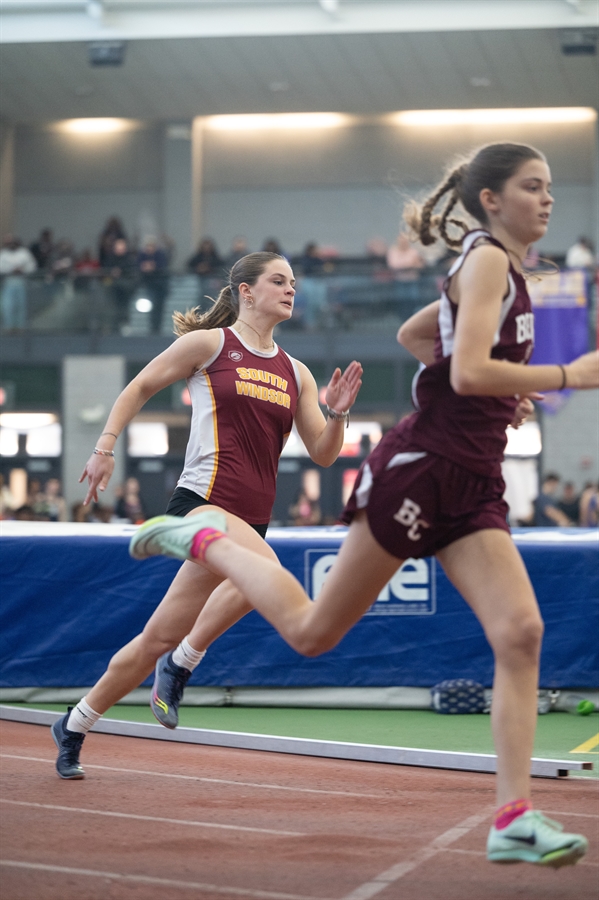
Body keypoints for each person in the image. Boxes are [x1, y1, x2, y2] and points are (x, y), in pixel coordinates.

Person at [129, 143, 599, 868]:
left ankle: (511, 817)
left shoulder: (498, 274)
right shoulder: (483, 263)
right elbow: (469, 368)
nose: (547, 201)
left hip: (473, 480)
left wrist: (500, 391)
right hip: (420, 470)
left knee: (520, 633)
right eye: (531, 188)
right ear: (490, 202)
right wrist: (568, 373)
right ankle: (198, 541)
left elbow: (420, 338)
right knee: (313, 632)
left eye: (548, 188)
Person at [52, 251, 362, 768]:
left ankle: (75, 722)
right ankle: (183, 663)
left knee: (155, 637)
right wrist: (104, 448)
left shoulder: (297, 372)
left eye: (293, 282)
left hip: (249, 517)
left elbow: (325, 453)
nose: (291, 290)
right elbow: (140, 386)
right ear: (245, 290)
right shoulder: (210, 345)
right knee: (267, 573)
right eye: (278, 281)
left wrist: (339, 413)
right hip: (200, 504)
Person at [0, 234, 37, 330]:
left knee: (22, 305)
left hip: (22, 282)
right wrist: (11, 269)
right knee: (8, 306)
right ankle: (9, 327)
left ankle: (21, 327)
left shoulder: (24, 253)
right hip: (8, 282)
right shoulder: (3, 254)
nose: (12, 244)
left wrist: (22, 269)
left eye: (13, 242)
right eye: (9, 243)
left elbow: (32, 266)